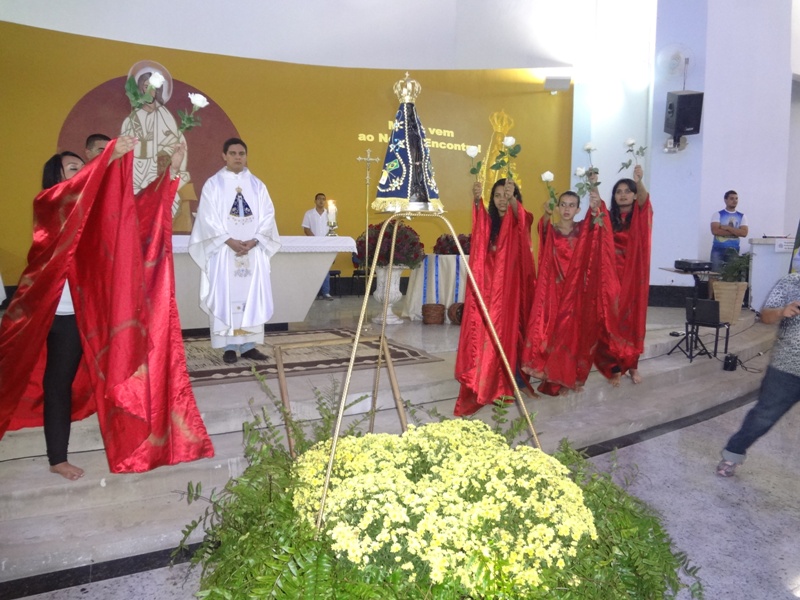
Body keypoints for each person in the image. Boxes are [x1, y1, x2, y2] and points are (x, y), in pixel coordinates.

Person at [0, 137, 214, 479]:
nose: (83, 170)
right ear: (57, 178)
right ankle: (58, 458)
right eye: (73, 168)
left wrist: (170, 173)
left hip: (99, 314)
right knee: (58, 382)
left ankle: (140, 441)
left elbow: (140, 213)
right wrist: (108, 159)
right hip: (61, 314)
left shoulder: (100, 212)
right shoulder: (49, 203)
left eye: (83, 167)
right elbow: (69, 200)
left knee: (124, 371)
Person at [523, 187, 628, 395]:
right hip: (555, 293)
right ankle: (554, 376)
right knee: (552, 335)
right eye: (563, 205)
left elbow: (597, 229)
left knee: (574, 337)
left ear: (578, 209)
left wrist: (596, 201)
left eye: (572, 205)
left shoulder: (582, 230)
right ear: (558, 207)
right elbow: (541, 230)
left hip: (577, 294)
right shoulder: (551, 230)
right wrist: (546, 213)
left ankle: (570, 377)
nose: (567, 209)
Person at [189, 137, 281, 365]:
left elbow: (268, 215)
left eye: (241, 153)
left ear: (246, 156)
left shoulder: (258, 185)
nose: (238, 157)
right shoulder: (213, 184)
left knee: (251, 296)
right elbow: (207, 217)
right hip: (224, 252)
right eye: (233, 153)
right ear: (224, 156)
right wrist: (228, 240)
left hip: (252, 252)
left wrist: (255, 240)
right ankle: (228, 346)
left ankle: (249, 345)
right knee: (225, 295)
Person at [454, 178, 536, 416]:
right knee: (483, 336)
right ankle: (483, 377)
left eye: (507, 195)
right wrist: (477, 200)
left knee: (508, 336)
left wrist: (513, 202)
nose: (502, 199)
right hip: (486, 291)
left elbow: (523, 219)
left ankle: (509, 381)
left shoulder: (521, 219)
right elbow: (480, 241)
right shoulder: (488, 224)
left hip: (509, 293)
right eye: (498, 195)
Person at [716, 273, 800, 477]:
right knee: (763, 416)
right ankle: (733, 454)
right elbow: (766, 317)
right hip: (787, 367)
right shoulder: (790, 282)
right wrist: (783, 311)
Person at [593, 165, 652, 386]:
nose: (623, 195)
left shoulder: (640, 217)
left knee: (633, 322)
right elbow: (598, 207)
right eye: (619, 192)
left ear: (635, 194)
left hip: (634, 278)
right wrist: (593, 183)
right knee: (611, 321)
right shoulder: (609, 218)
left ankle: (633, 365)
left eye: (628, 191)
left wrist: (639, 180)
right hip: (612, 279)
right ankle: (615, 367)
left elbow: (645, 200)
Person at [302, 192, 334, 300]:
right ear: (315, 201)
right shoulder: (309, 214)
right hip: (313, 245)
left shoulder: (330, 214)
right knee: (313, 269)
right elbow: (306, 229)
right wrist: (315, 240)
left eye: (323, 199)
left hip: (326, 246)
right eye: (319, 199)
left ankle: (326, 292)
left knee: (326, 269)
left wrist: (325, 241)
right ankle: (312, 293)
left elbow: (332, 229)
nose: (321, 201)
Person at [710, 190, 748, 273]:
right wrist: (736, 232)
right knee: (715, 274)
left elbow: (744, 233)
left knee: (732, 275)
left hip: (734, 250)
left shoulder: (742, 216)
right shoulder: (718, 214)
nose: (735, 201)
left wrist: (727, 228)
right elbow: (715, 231)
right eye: (732, 198)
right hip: (718, 249)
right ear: (725, 200)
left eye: (736, 199)